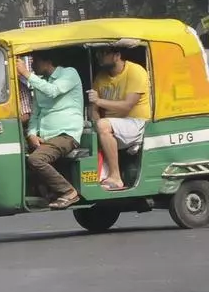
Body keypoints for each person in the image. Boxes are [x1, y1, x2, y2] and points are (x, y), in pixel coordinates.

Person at [16, 51, 84, 208]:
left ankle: (69, 192)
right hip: (46, 137)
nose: (32, 65)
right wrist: (32, 134)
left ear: (48, 62)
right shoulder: (41, 82)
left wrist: (26, 74)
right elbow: (35, 113)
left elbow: (52, 91)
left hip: (66, 134)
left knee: (36, 159)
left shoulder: (69, 74)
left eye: (35, 61)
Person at [88, 46, 151, 191]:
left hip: (136, 122)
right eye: (98, 53)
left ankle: (115, 177)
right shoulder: (101, 77)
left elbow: (127, 106)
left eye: (103, 52)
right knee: (92, 129)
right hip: (113, 126)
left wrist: (99, 102)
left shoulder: (135, 71)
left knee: (103, 125)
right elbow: (94, 109)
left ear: (117, 55)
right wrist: (96, 120)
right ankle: (100, 177)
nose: (99, 56)